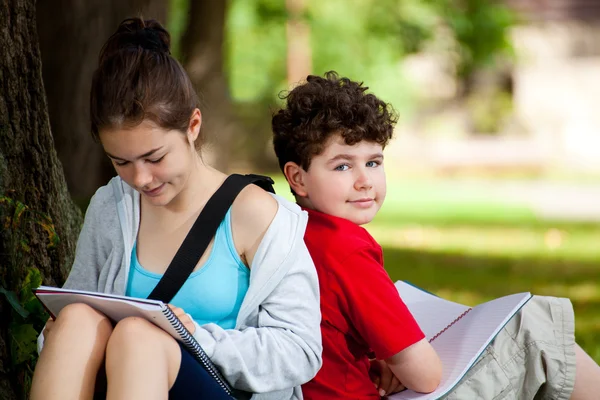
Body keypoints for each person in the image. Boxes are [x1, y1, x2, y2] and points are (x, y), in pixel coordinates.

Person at [31, 18, 322, 400]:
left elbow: (301, 350)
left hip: (221, 389)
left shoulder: (257, 214)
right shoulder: (113, 205)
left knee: (139, 335)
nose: (140, 178)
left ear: (193, 125)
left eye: (155, 157)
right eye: (120, 161)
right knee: (75, 319)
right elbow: (74, 311)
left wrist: (198, 338)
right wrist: (51, 335)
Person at [271, 71, 600, 400]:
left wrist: (380, 359)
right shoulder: (345, 250)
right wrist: (402, 361)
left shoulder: (289, 233)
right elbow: (426, 376)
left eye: (373, 162)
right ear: (297, 178)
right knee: (536, 329)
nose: (364, 181)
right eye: (343, 166)